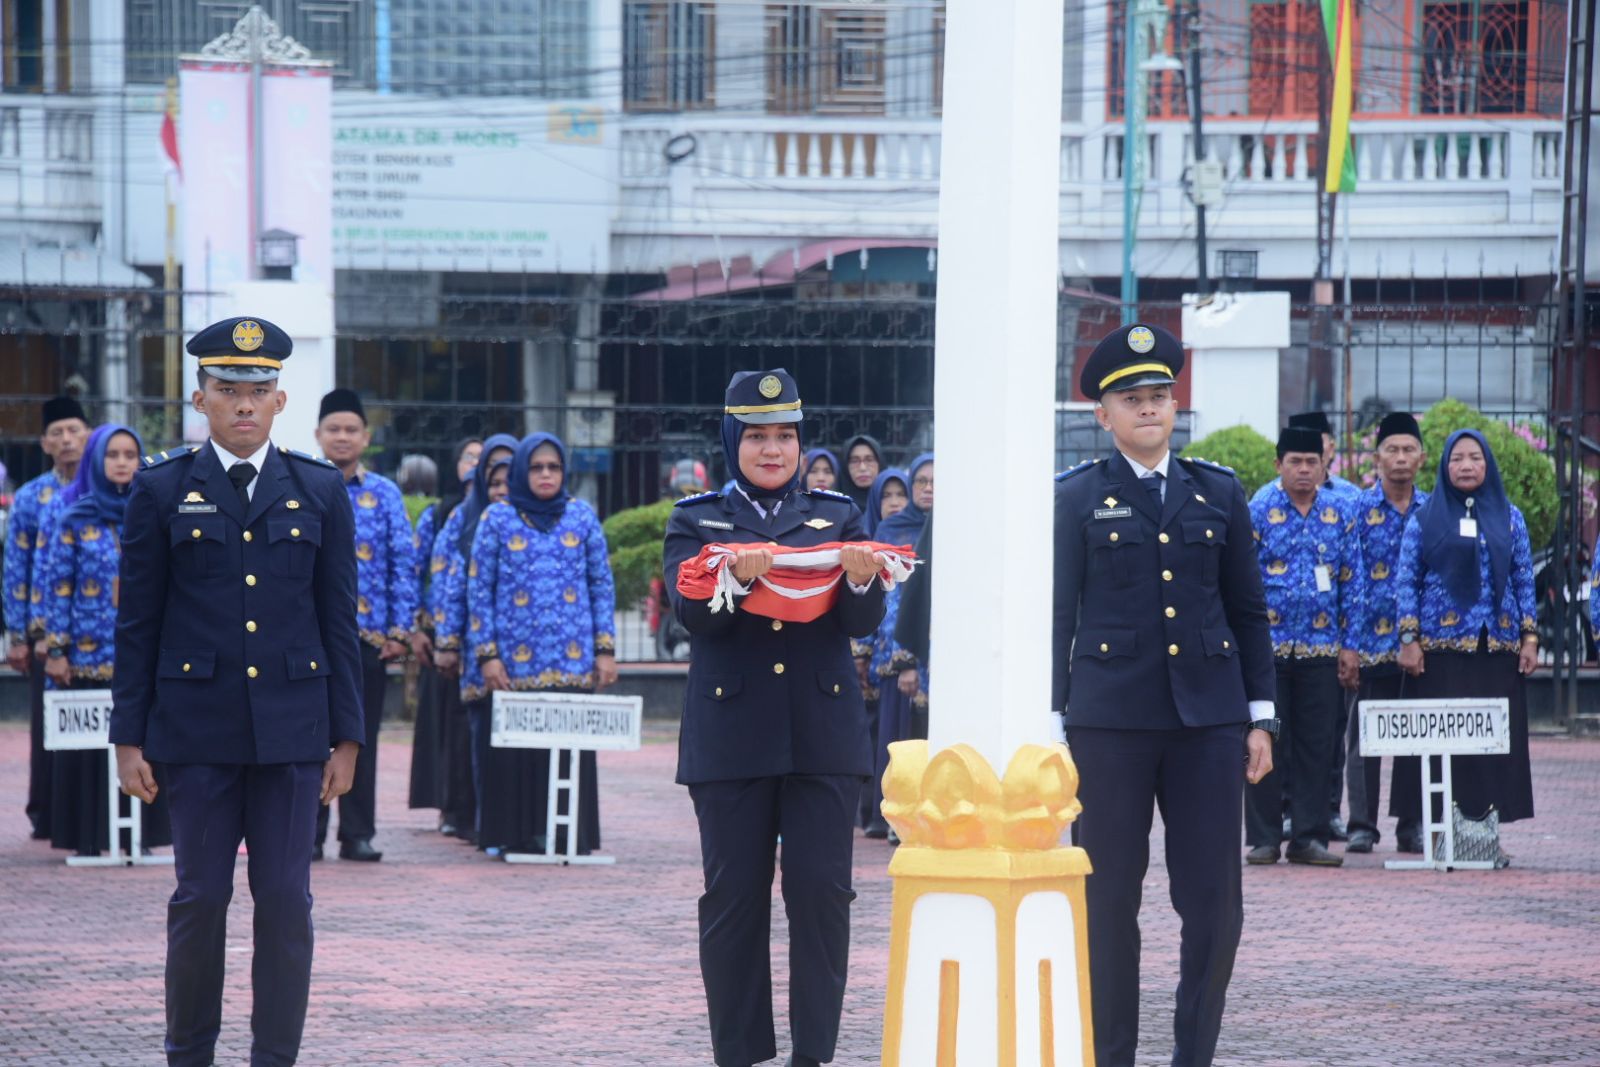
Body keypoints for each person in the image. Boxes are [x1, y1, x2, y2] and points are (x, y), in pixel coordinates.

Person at [110, 316, 363, 1067]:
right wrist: (129, 737)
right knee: (200, 900)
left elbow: (338, 623)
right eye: (228, 389)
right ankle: (189, 1052)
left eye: (258, 389)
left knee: (286, 902)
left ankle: (273, 1056)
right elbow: (137, 623)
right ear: (201, 398)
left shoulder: (318, 490)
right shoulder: (159, 490)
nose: (244, 403)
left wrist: (347, 738)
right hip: (194, 733)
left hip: (292, 733)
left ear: (280, 400)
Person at [1052, 323, 1275, 1067]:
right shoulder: (1077, 496)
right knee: (1108, 900)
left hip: (1208, 721)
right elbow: (1058, 612)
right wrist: (1052, 719)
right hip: (1109, 724)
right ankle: (1111, 1053)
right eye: (1132, 399)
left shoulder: (1218, 490)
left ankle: (1193, 1055)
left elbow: (1247, 610)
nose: (1149, 409)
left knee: (1214, 903)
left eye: (1159, 396)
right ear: (1103, 414)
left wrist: (1259, 717)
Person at [666, 368, 887, 1067]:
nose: (771, 449)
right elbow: (690, 614)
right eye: (756, 435)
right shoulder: (695, 519)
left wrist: (857, 574)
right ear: (733, 439)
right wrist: (732, 574)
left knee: (823, 898)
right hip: (731, 737)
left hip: (821, 735)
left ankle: (811, 1054)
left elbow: (864, 617)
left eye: (784, 435)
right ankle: (740, 1053)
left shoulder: (839, 513)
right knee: (733, 902)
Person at [468, 432, 618, 855]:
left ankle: (568, 836)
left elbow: (601, 586)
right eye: (536, 467)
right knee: (517, 755)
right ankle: (511, 837)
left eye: (553, 467)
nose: (546, 475)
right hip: (514, 665)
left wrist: (605, 650)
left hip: (573, 662)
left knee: (567, 751)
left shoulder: (582, 517)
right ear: (521, 472)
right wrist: (488, 655)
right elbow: (479, 589)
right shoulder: (496, 519)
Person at [1394, 429, 1538, 867]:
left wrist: (1530, 638)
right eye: (1458, 459)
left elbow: (1524, 578)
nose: (1467, 466)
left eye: (1475, 458)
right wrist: (1408, 639)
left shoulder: (1510, 517)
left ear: (1488, 464)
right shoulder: (1425, 518)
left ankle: (1484, 839)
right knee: (1446, 748)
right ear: (1444, 466)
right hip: (1441, 652)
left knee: (1491, 749)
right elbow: (1406, 581)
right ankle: (1443, 836)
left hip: (1496, 647)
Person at [40, 423, 172, 857]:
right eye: (112, 455)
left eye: (130, 456)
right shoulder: (73, 516)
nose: (121, 463)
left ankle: (145, 837)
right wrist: (57, 649)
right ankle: (91, 838)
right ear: (96, 461)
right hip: (87, 655)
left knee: (145, 744)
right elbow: (57, 585)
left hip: (142, 657)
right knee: (93, 751)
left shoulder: (153, 511)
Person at [1244, 425, 1358, 867]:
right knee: (1264, 740)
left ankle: (1309, 837)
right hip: (1267, 652)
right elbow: (1241, 581)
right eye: (1295, 461)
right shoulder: (1258, 509)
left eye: (1313, 461)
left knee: (1316, 745)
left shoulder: (1340, 512)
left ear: (1325, 464)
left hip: (1321, 650)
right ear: (1279, 465)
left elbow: (1354, 580)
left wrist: (1351, 647)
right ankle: (1264, 838)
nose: (1305, 470)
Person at [311, 388, 416, 862]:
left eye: (351, 429)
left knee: (360, 736)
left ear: (366, 437)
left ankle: (357, 833)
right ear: (318, 435)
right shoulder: (302, 483)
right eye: (333, 428)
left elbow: (403, 564)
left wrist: (399, 631)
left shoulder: (385, 494)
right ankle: (307, 834)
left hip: (367, 640)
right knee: (309, 735)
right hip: (307, 636)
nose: (342, 437)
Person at [1340, 412, 1429, 854]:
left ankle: (1410, 824)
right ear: (1376, 459)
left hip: (1418, 647)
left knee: (1416, 736)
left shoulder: (1433, 511)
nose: (1399, 458)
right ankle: (1361, 825)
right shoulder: (1357, 509)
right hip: (1369, 643)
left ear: (1422, 458)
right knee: (1363, 741)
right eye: (1391, 450)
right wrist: (1349, 646)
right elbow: (1350, 579)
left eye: (1408, 450)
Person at [5, 395, 90, 840]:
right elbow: (15, 568)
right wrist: (17, 635)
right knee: (49, 724)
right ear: (44, 442)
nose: (67, 439)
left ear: (89, 435)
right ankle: (48, 813)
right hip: (43, 630)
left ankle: (92, 814)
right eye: (57, 433)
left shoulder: (107, 488)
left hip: (97, 628)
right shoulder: (30, 497)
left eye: (74, 430)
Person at [432, 433, 519, 847]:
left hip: (524, 656)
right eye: (494, 480)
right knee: (477, 736)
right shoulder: (463, 518)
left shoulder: (528, 519)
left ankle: (504, 824)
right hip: (473, 648)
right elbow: (447, 581)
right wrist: (446, 641)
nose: (502, 490)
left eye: (508, 478)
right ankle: (470, 818)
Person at [410, 437, 482, 829]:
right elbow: (415, 571)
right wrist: (418, 629)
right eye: (468, 456)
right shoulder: (440, 516)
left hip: (484, 642)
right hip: (441, 638)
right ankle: (449, 808)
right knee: (447, 729)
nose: (475, 463)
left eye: (483, 457)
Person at [853, 468, 909, 835]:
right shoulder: (874, 539)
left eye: (898, 495)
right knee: (877, 735)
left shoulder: (933, 533)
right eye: (885, 496)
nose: (894, 503)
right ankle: (876, 813)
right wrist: (862, 649)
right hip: (880, 653)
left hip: (913, 654)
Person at [1250, 410, 1361, 504]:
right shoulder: (1263, 500)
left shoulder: (1352, 496)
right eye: (1296, 459)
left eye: (1317, 443)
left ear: (1331, 449)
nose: (1304, 468)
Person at [838, 434, 885, 514]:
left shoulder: (893, 504)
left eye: (869, 460)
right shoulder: (834, 507)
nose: (862, 468)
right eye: (854, 461)